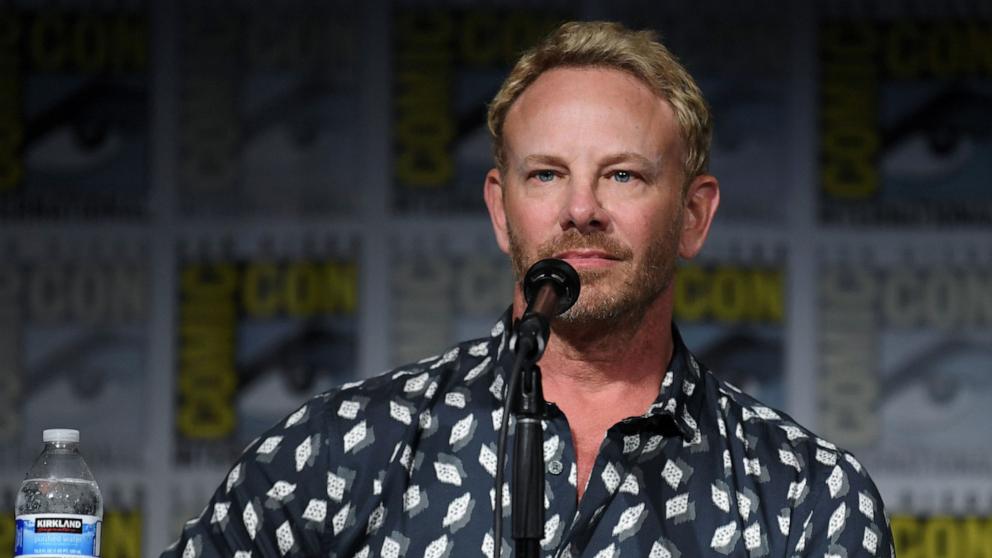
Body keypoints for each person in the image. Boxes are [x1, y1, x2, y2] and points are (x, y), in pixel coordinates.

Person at [163, 21, 894, 557]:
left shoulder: (807, 498)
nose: (581, 208)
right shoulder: (343, 450)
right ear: (500, 210)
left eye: (623, 175)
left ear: (694, 216)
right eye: (545, 174)